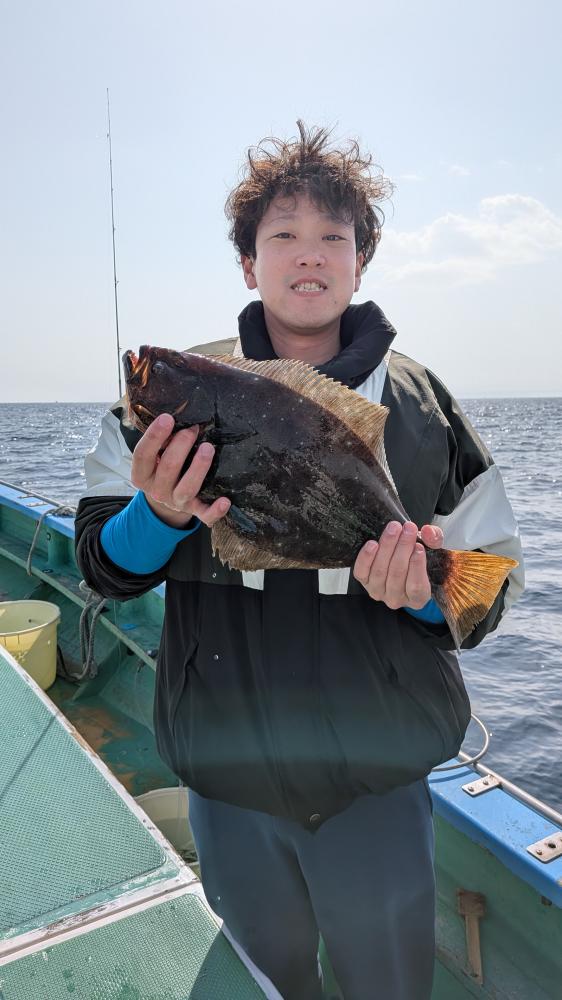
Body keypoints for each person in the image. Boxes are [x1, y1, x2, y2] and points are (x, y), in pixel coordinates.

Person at [75, 121, 524, 1000]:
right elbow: (100, 563)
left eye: (332, 236)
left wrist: (423, 593)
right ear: (249, 263)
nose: (308, 254)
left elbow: (485, 593)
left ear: (361, 261)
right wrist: (159, 513)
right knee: (264, 983)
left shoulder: (425, 408)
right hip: (228, 781)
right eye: (282, 234)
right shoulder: (166, 403)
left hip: (376, 783)